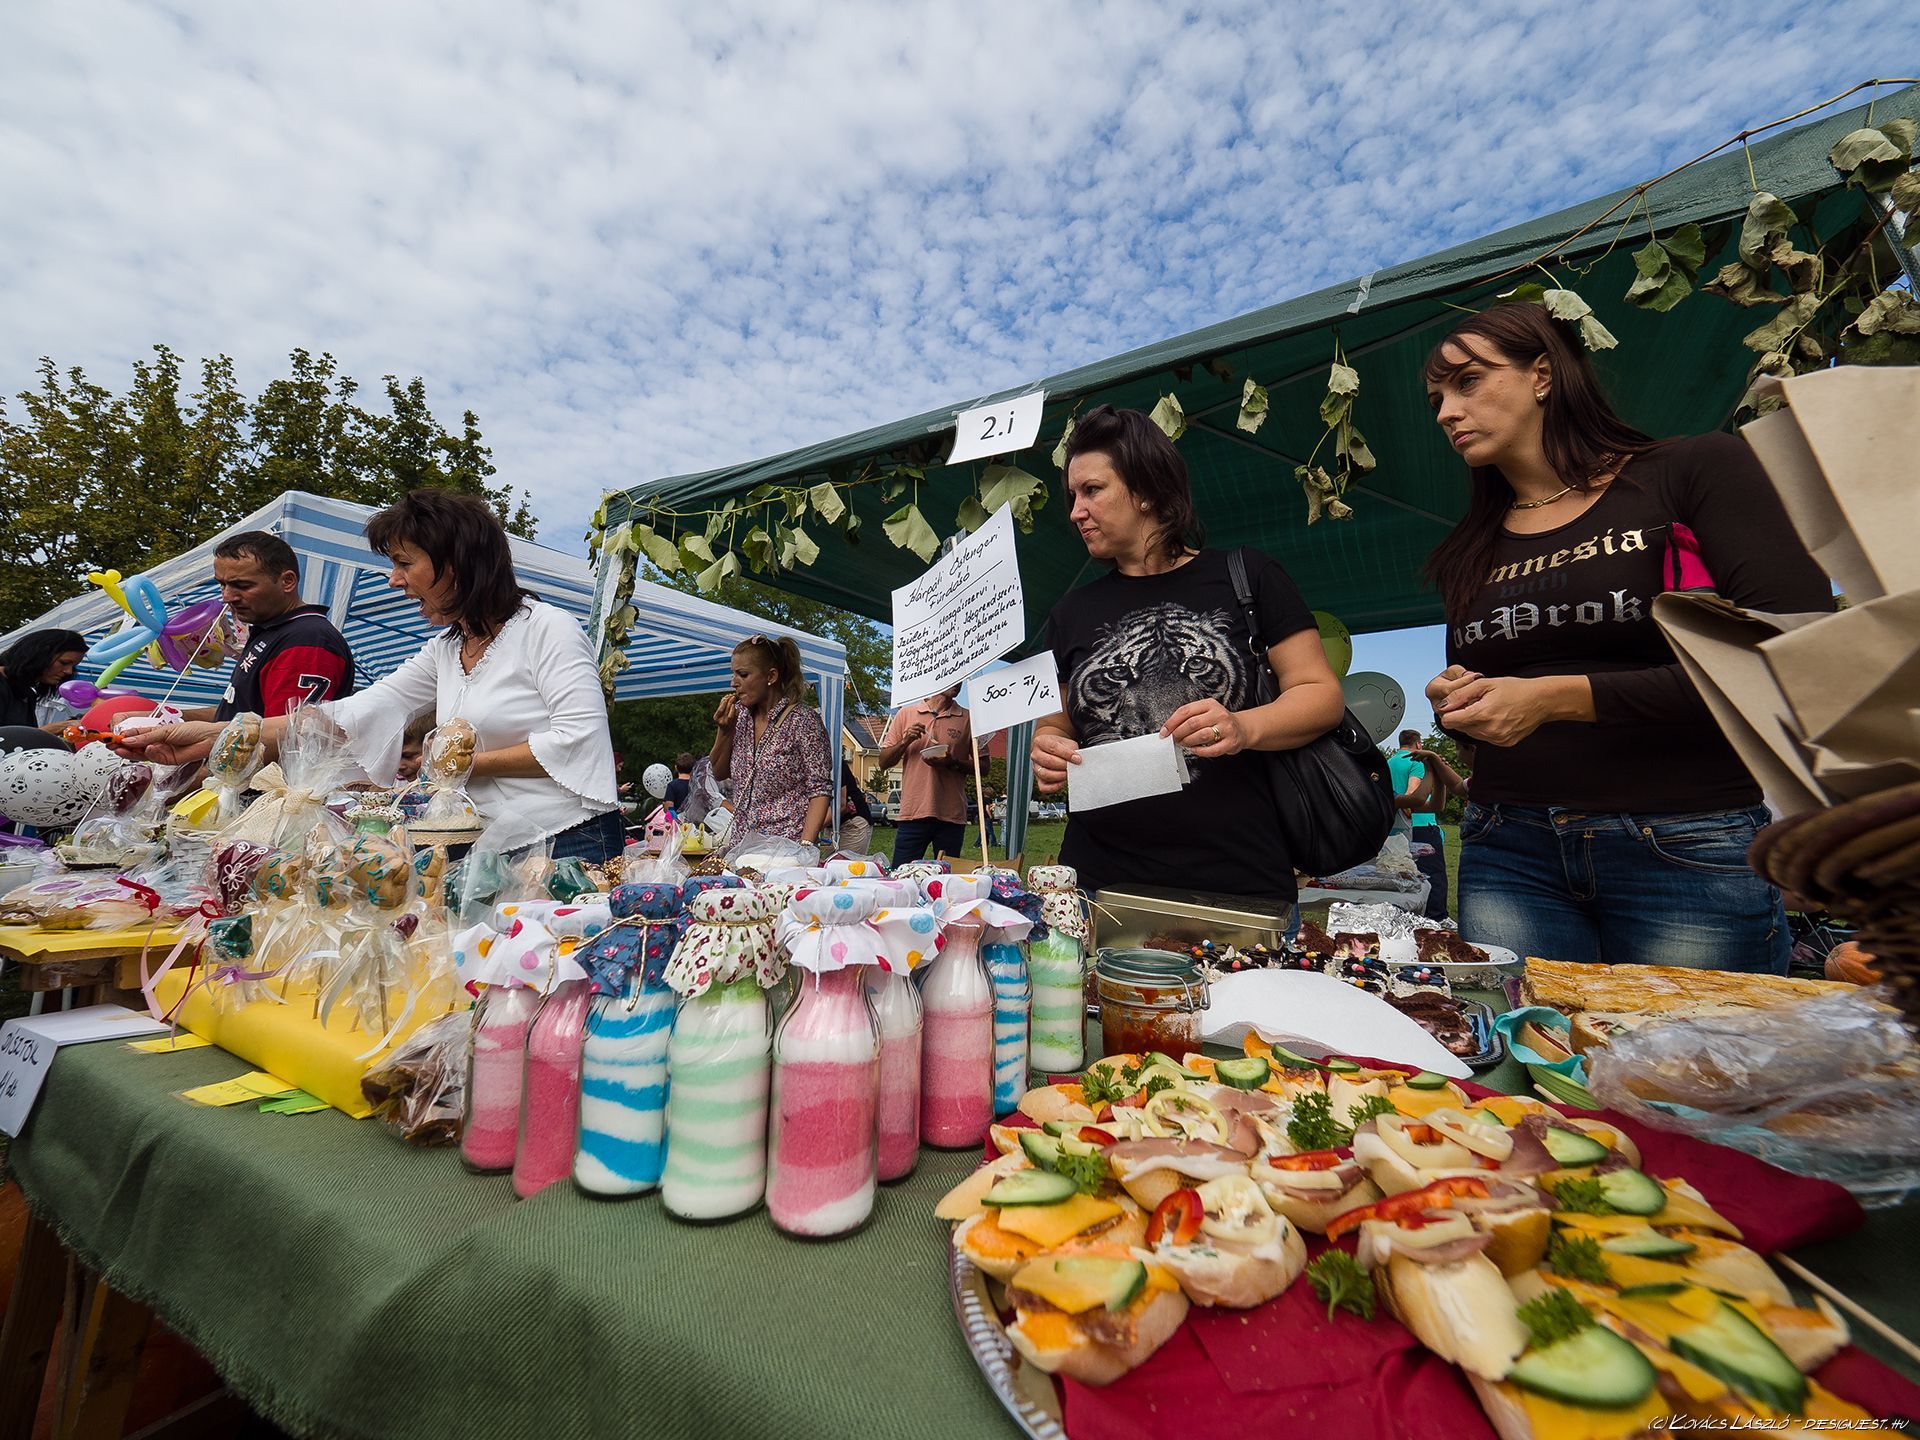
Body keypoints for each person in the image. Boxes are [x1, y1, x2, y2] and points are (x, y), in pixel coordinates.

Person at [1421, 302, 1832, 972]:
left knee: (1687, 1044)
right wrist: (1458, 700)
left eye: (1467, 381)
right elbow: (1484, 707)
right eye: (1436, 398)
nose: (1446, 412)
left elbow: (1794, 655)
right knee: (1529, 1037)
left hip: (1685, 837)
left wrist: (1558, 698)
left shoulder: (1692, 471)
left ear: (1543, 375)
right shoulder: (1467, 551)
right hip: (1509, 844)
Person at [118, 489, 624, 862]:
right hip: (482, 839)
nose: (394, 579)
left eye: (404, 563)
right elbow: (350, 713)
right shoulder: (447, 649)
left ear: (458, 562)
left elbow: (578, 740)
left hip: (566, 839)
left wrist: (453, 766)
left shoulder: (547, 629)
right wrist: (215, 736)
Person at [1032, 405, 1345, 907]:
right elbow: (1056, 723)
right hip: (1098, 882)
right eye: (1073, 495)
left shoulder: (1248, 576)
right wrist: (1048, 747)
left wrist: (1244, 727)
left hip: (1237, 881)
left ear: (1147, 489)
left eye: (1092, 490)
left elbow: (1321, 695)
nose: (1075, 512)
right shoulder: (1070, 612)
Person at [183, 531, 356, 722]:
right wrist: (175, 717)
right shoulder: (275, 631)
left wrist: (195, 736)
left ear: (287, 581)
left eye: (242, 585)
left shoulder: (306, 639)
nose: (226, 596)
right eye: (222, 584)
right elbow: (241, 713)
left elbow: (283, 734)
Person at [709, 634, 832, 846]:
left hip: (785, 849)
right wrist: (724, 730)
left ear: (771, 676)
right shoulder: (739, 717)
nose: (733, 683)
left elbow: (819, 791)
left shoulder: (802, 720)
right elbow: (719, 773)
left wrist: (804, 848)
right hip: (741, 847)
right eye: (733, 674)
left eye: (743, 674)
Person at [877, 683, 977, 866]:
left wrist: (953, 762)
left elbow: (983, 767)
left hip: (951, 815)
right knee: (902, 875)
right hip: (913, 813)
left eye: (960, 679)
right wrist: (905, 741)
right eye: (952, 676)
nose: (958, 683)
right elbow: (883, 762)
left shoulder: (968, 718)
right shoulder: (906, 714)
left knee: (947, 878)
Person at [1389, 729, 1450, 922]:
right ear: (1418, 744)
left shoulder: (1388, 763)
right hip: (1421, 826)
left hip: (1393, 830)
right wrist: (1431, 769)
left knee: (1401, 876)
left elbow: (1436, 805)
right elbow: (1412, 796)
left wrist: (1439, 778)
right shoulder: (1416, 762)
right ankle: (1436, 918)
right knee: (1432, 876)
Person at [0, 630, 85, 730]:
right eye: (64, 663)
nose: (69, 671)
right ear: (39, 655)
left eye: (73, 666)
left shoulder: (27, 694)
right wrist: (52, 729)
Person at [837, 758, 875, 856]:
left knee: (846, 863)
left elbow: (842, 806)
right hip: (834, 825)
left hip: (852, 823)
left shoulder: (835, 763)